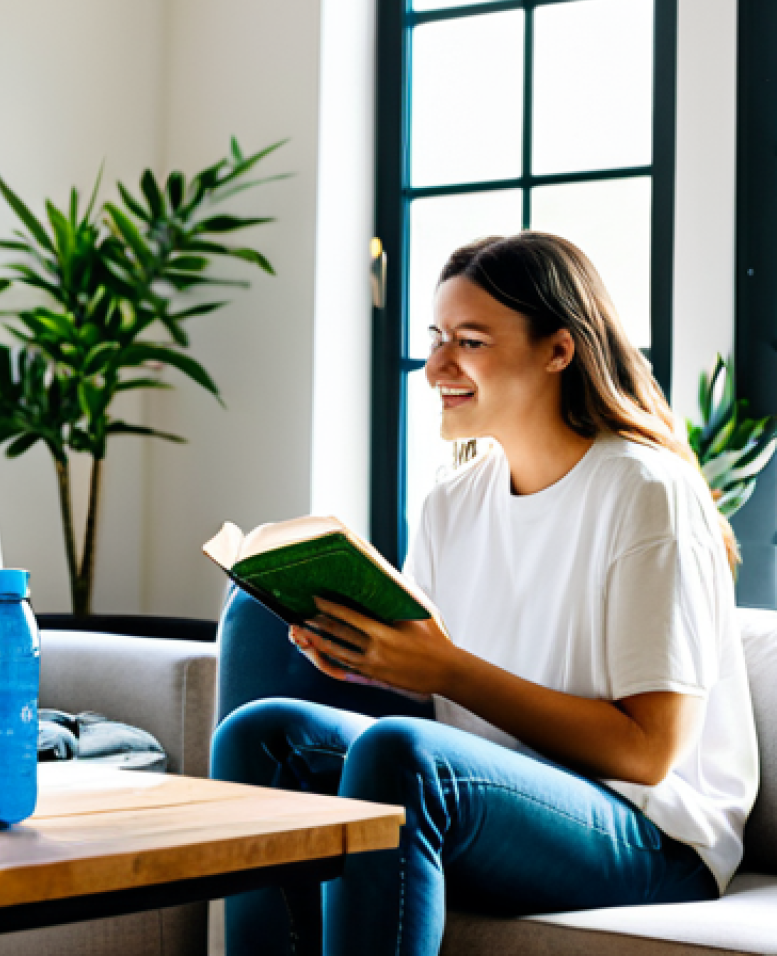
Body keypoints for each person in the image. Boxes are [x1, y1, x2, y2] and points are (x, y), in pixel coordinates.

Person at [210, 232, 759, 956]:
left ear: (558, 350)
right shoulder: (452, 502)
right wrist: (366, 658)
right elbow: (438, 695)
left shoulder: (647, 491)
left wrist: (446, 670)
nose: (436, 366)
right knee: (259, 728)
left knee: (403, 753)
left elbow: (649, 753)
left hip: (652, 832)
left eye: (470, 342)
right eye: (437, 339)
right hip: (495, 792)